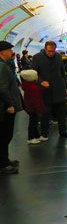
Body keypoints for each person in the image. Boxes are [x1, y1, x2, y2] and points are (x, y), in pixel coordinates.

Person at [31, 41, 67, 139]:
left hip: (59, 89)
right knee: (46, 113)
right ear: (45, 49)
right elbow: (34, 74)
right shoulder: (37, 57)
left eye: (53, 51)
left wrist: (65, 87)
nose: (51, 53)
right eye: (49, 51)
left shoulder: (58, 56)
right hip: (45, 90)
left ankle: (63, 132)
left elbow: (62, 73)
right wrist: (41, 82)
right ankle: (44, 134)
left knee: (61, 113)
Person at [0, 41, 23, 174]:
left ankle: (6, 160)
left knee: (6, 135)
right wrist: (9, 104)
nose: (11, 52)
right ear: (2, 52)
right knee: (4, 136)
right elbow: (2, 88)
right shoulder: (2, 67)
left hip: (5, 107)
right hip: (5, 108)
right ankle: (3, 165)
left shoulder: (4, 65)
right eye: (9, 50)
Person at [20, 69, 45, 144]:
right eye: (36, 75)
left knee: (34, 122)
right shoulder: (33, 87)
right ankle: (30, 138)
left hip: (29, 107)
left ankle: (37, 136)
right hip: (33, 108)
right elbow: (35, 100)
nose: (37, 76)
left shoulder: (28, 85)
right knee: (33, 123)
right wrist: (39, 109)